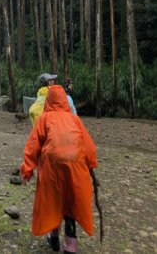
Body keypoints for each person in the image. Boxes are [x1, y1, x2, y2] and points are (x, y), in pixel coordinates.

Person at [20, 85, 98, 254]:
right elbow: (89, 146)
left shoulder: (44, 118)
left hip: (52, 167)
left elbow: (33, 145)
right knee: (70, 203)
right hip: (75, 166)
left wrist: (27, 169)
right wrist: (91, 164)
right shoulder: (74, 119)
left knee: (53, 201)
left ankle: (53, 237)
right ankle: (70, 247)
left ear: (48, 100)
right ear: (64, 100)